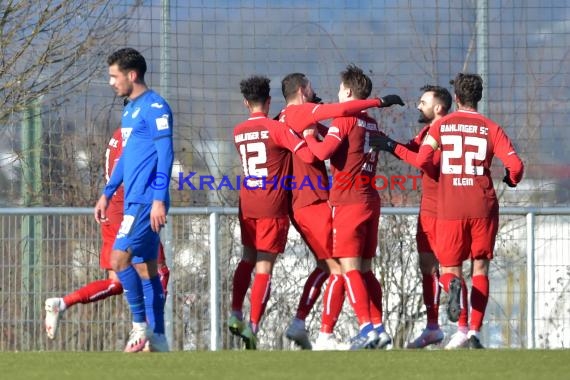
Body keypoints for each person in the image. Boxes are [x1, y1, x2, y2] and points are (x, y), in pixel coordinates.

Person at [417, 73, 524, 349]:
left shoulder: (440, 127)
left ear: (456, 98)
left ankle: (459, 317)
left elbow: (423, 158)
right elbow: (516, 167)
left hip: (451, 205)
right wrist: (511, 180)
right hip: (482, 205)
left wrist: (441, 174)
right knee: (480, 267)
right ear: (479, 97)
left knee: (450, 268)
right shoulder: (491, 127)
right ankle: (474, 331)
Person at [303, 64, 404, 349]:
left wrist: (309, 134)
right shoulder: (370, 122)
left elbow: (323, 151)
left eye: (339, 89)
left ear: (347, 91)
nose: (337, 93)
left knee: (348, 269)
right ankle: (380, 328)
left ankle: (366, 328)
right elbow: (348, 143)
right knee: (366, 270)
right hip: (370, 199)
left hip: (348, 202)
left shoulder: (344, 119)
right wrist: (321, 127)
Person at [44, 127, 170, 347]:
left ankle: (62, 303)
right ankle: (149, 334)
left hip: (114, 209)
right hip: (129, 209)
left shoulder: (119, 133)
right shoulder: (139, 135)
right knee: (158, 271)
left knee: (117, 282)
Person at [229, 75, 319, 350]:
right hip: (272, 204)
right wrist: (309, 134)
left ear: (246, 102)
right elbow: (308, 155)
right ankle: (254, 326)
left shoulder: (238, 131)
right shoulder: (276, 128)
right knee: (264, 267)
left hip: (247, 203)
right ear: (269, 101)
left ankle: (235, 313)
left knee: (247, 258)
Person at [94, 48, 174, 353]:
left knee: (119, 260)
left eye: (114, 76)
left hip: (145, 202)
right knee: (148, 269)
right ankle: (161, 339)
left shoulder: (156, 107)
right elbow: (126, 158)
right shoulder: (129, 110)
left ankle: (140, 327)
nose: (111, 82)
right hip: (132, 200)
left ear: (132, 75)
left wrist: (158, 200)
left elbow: (166, 156)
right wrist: (107, 192)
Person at [370, 85, 458, 348]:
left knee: (440, 267)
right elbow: (409, 149)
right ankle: (434, 326)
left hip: (440, 209)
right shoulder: (428, 131)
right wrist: (386, 142)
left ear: (439, 108)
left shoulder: (440, 131)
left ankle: (454, 310)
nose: (418, 106)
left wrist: (390, 146)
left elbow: (422, 161)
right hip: (432, 207)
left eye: (423, 102)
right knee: (427, 267)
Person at [277, 73, 341, 350]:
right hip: (312, 200)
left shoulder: (282, 116)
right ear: (303, 91)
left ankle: (299, 324)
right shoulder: (302, 114)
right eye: (311, 87)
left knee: (327, 266)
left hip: (298, 202)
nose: (315, 92)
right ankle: (325, 334)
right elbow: (329, 146)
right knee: (340, 268)